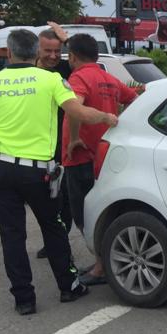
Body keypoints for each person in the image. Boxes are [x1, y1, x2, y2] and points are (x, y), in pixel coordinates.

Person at [0, 29, 118, 316]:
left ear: (8, 53)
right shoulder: (50, 80)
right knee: (53, 227)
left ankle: (24, 299)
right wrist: (107, 117)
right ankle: (68, 286)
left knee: (12, 235)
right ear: (36, 53)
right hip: (38, 172)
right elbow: (78, 111)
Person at [62, 33, 139, 285]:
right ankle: (103, 262)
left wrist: (73, 138)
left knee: (84, 213)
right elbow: (135, 99)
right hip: (105, 155)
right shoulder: (109, 78)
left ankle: (101, 266)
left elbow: (75, 108)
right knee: (103, 208)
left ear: (72, 57)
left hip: (81, 156)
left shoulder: (79, 77)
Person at [35, 24, 73, 256]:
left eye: (57, 51)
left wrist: (67, 40)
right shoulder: (26, 70)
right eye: (48, 51)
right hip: (34, 145)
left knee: (62, 197)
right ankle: (52, 240)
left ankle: (59, 242)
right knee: (41, 198)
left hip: (61, 144)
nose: (53, 56)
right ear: (36, 50)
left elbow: (85, 55)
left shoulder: (64, 70)